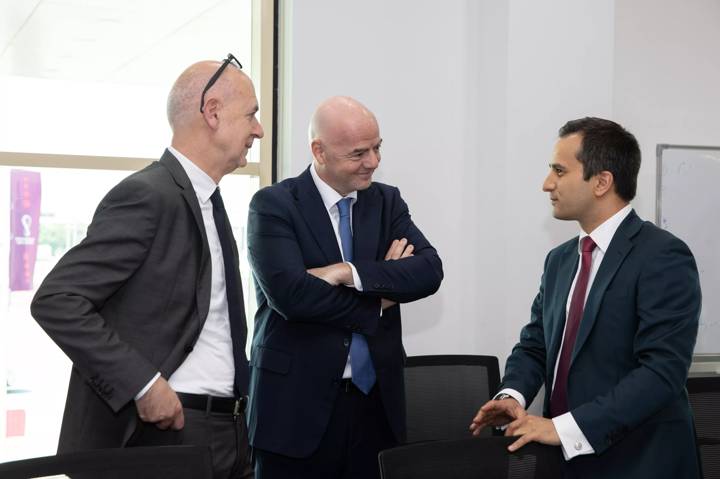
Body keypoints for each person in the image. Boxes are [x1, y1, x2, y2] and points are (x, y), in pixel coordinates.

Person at [30, 54, 263, 478]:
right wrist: (143, 383)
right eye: (251, 115)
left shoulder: (210, 201)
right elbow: (57, 300)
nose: (258, 130)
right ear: (212, 112)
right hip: (165, 436)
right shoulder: (147, 195)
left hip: (229, 433)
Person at [470, 117, 701, 478]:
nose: (547, 184)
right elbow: (536, 344)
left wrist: (563, 428)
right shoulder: (560, 259)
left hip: (638, 462)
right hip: (564, 460)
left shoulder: (663, 256)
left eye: (559, 171)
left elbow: (661, 373)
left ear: (602, 182)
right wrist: (511, 397)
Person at [246, 96, 443, 478]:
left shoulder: (386, 201)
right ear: (318, 151)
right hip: (295, 410)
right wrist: (381, 293)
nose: (372, 162)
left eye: (377, 148)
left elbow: (429, 271)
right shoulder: (274, 205)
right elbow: (293, 297)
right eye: (358, 153)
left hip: (376, 408)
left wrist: (344, 272)